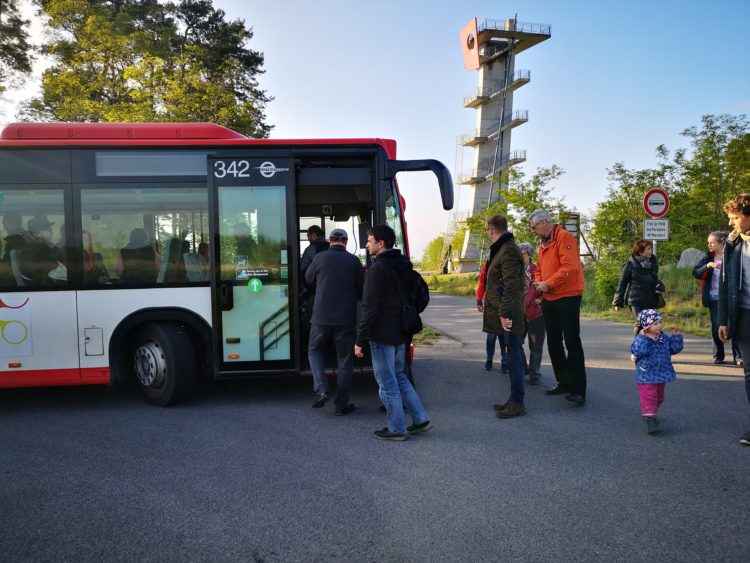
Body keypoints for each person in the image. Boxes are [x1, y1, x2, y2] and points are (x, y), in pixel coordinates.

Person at [354, 224, 432, 441]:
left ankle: (397, 429)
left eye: (369, 241)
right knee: (400, 377)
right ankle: (420, 419)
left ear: (380, 243)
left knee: (387, 382)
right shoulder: (405, 266)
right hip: (402, 332)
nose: (366, 245)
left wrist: (360, 340)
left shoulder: (377, 269)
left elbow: (370, 308)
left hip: (382, 334)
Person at [529, 209, 587, 405]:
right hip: (550, 297)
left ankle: (579, 390)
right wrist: (539, 282)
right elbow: (538, 269)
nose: (533, 230)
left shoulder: (564, 237)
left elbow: (570, 267)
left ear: (544, 222)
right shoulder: (543, 243)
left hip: (568, 296)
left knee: (572, 341)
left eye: (534, 226)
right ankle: (564, 381)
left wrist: (549, 283)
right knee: (553, 342)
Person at [304, 228, 364, 415]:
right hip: (345, 319)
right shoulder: (354, 261)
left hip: (320, 317)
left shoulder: (320, 258)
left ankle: (322, 389)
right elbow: (362, 290)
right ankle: (341, 405)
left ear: (330, 241)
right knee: (344, 361)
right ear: (345, 242)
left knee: (314, 351)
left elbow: (308, 279)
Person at [482, 215, 526, 418]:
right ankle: (513, 400)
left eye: (486, 230)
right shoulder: (504, 248)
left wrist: (502, 313)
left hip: (509, 313)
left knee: (514, 357)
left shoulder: (507, 249)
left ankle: (517, 403)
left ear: (491, 230)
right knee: (512, 355)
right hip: (506, 310)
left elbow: (510, 286)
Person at [718, 194, 750, 446]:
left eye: (735, 218)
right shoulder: (733, 244)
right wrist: (724, 320)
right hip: (744, 313)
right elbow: (726, 283)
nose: (731, 223)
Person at [630, 309, 683, 434]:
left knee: (659, 397)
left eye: (660, 322)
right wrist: (643, 337)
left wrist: (676, 337)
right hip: (646, 374)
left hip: (661, 373)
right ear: (647, 326)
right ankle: (651, 419)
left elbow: (674, 349)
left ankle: (650, 413)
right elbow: (637, 351)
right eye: (656, 323)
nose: (659, 326)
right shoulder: (642, 338)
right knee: (649, 397)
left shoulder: (663, 337)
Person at [693, 231, 741, 365]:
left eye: (712, 242)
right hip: (714, 296)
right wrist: (707, 266)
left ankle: (738, 356)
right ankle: (718, 355)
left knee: (733, 325)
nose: (709, 245)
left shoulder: (732, 255)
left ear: (721, 243)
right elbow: (696, 272)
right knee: (716, 326)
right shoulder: (708, 257)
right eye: (708, 242)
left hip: (732, 297)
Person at [613, 240, 665, 327]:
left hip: (649, 299)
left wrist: (659, 286)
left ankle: (644, 340)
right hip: (635, 299)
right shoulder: (629, 264)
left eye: (651, 249)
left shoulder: (653, 263)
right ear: (640, 252)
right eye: (648, 249)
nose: (651, 251)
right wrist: (617, 302)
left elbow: (654, 278)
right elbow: (622, 283)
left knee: (650, 325)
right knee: (641, 323)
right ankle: (639, 340)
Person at [519, 241, 545, 385]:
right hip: (518, 313)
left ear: (529, 255)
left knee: (535, 345)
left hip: (535, 313)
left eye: (522, 254)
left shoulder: (537, 270)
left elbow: (545, 287)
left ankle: (535, 374)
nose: (519, 256)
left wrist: (540, 300)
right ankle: (524, 368)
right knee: (515, 341)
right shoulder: (514, 271)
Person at [476, 260, 509, 372]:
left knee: (504, 337)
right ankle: (489, 359)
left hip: (505, 303)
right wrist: (479, 301)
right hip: (490, 304)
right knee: (491, 336)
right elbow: (482, 283)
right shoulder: (488, 263)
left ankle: (505, 361)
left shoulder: (509, 262)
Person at [21, 216, 63, 286]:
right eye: (49, 230)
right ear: (40, 232)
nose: (52, 233)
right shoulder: (35, 249)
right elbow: (38, 272)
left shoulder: (41, 246)